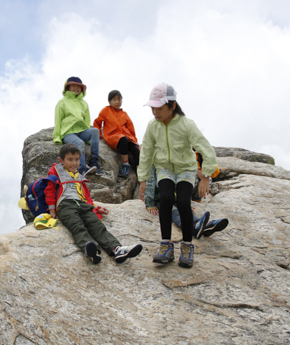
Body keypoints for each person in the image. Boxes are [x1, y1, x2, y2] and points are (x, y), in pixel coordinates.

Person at [138, 83, 218, 268]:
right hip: (164, 168)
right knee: (165, 198)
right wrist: (143, 179)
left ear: (172, 106)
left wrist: (205, 176)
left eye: (159, 108)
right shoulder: (152, 126)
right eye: (153, 108)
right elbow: (146, 153)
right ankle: (166, 246)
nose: (155, 113)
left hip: (185, 169)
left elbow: (206, 149)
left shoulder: (187, 124)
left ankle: (187, 246)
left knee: (183, 202)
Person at [45, 143, 143, 264]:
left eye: (77, 159)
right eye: (70, 159)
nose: (74, 163)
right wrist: (52, 209)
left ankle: (117, 249)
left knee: (96, 225)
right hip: (65, 205)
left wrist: (96, 208)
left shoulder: (79, 176)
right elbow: (49, 189)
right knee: (77, 225)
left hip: (82, 205)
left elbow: (86, 197)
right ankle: (91, 249)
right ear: (61, 160)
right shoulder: (56, 170)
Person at [144, 165, 229, 239]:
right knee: (174, 211)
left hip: (175, 197)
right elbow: (149, 183)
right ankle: (195, 227)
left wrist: (185, 202)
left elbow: (182, 183)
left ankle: (204, 227)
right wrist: (150, 204)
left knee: (185, 211)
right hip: (161, 198)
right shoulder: (154, 164)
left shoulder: (175, 161)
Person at [53, 77, 102, 176]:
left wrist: (88, 135)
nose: (76, 88)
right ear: (67, 87)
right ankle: (82, 168)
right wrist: (57, 136)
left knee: (95, 131)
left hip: (82, 131)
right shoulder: (62, 102)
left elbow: (87, 120)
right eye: (73, 85)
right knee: (79, 143)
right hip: (68, 132)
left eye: (79, 86)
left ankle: (94, 161)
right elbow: (58, 119)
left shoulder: (84, 103)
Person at [93, 90, 140, 178]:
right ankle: (125, 165)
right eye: (114, 100)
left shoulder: (124, 114)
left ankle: (139, 170)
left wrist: (134, 140)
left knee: (135, 148)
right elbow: (97, 122)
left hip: (125, 136)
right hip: (112, 136)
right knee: (123, 140)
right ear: (109, 101)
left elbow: (131, 128)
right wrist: (98, 135)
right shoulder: (105, 110)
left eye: (119, 99)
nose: (117, 102)